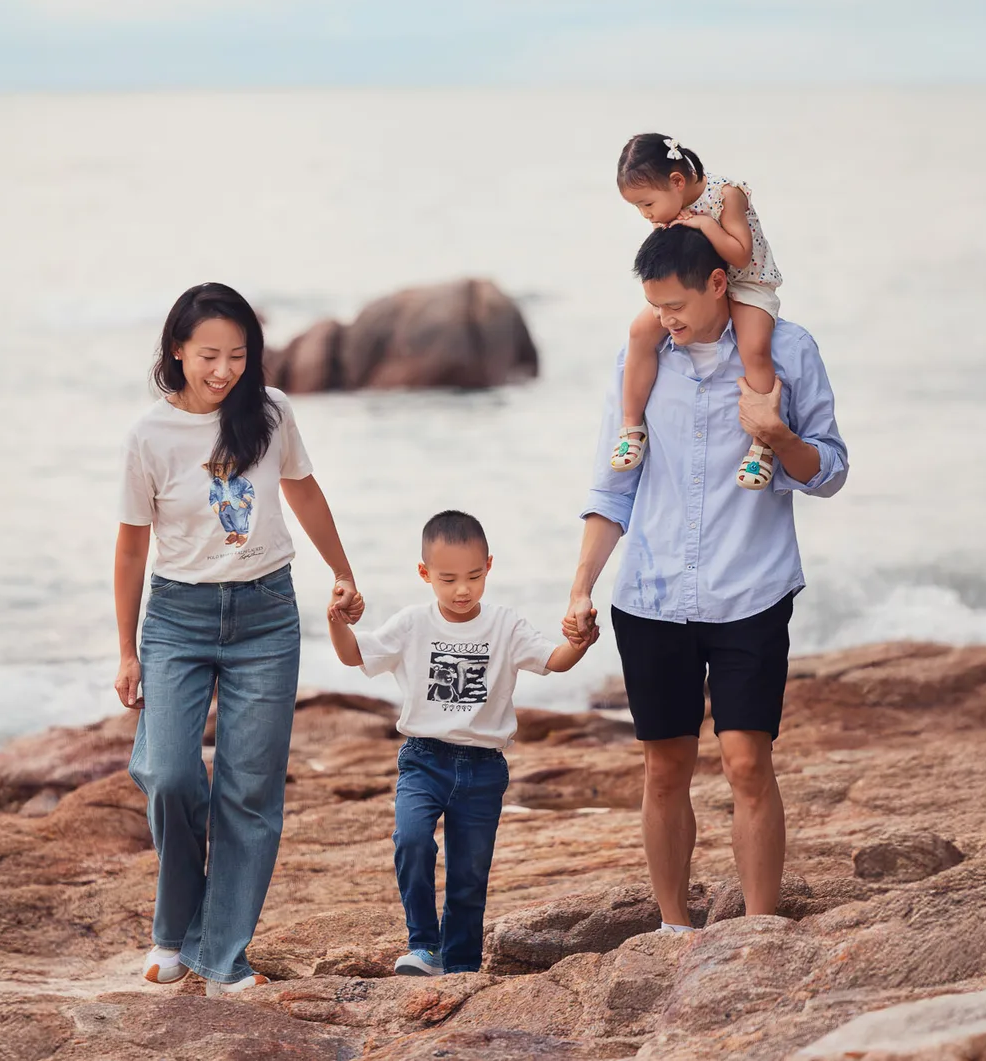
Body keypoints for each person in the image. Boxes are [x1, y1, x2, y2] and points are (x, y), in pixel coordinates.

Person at [566, 225, 847, 935]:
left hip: (750, 589)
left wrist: (778, 435)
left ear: (719, 284)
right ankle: (673, 930)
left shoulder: (788, 351)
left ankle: (758, 931)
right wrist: (581, 586)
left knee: (748, 760)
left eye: (676, 306)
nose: (667, 321)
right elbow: (612, 486)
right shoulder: (643, 359)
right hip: (652, 596)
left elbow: (833, 470)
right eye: (655, 307)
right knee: (665, 768)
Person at [113, 282, 364, 996]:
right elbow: (130, 549)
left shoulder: (271, 412)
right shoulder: (148, 436)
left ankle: (220, 953)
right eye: (209, 356)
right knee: (168, 773)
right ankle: (176, 924)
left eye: (237, 354)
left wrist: (342, 571)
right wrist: (127, 648)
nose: (223, 369)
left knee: (250, 791)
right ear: (177, 351)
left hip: (265, 615)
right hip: (177, 618)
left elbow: (303, 491)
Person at [328, 510, 598, 976]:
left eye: (474, 576)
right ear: (424, 574)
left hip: (483, 767)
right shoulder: (413, 623)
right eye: (448, 578)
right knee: (411, 840)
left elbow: (554, 660)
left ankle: (462, 966)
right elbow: (355, 654)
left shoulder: (505, 625)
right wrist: (336, 618)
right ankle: (423, 946)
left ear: (489, 566)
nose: (462, 589)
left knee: (469, 876)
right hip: (423, 760)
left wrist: (582, 641)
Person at [611, 133, 784, 489]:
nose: (645, 215)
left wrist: (706, 224)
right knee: (640, 332)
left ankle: (762, 446)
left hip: (746, 282)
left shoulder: (726, 195)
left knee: (754, 348)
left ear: (676, 182)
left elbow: (740, 254)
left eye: (646, 204)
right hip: (696, 290)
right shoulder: (671, 208)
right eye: (638, 209)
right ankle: (631, 425)